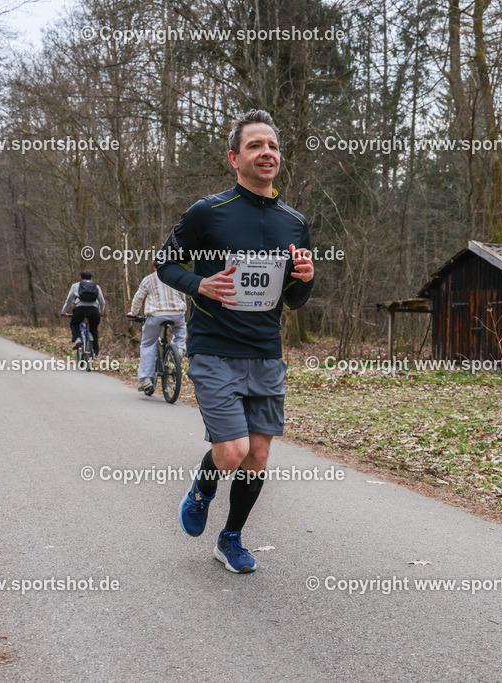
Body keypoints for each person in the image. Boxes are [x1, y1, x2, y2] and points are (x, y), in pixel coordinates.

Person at [158, 110, 314, 574]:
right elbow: (165, 264)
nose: (266, 153)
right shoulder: (208, 212)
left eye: (272, 146)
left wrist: (306, 278)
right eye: (254, 146)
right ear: (234, 158)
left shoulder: (294, 221)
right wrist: (200, 285)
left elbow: (295, 300)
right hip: (214, 347)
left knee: (258, 454)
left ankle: (230, 539)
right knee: (232, 452)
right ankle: (203, 489)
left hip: (265, 351)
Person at [128, 271, 188, 393]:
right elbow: (183, 296)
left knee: (148, 344)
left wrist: (133, 313)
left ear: (155, 266)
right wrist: (182, 310)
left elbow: (139, 297)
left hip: (156, 315)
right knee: (180, 329)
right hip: (177, 313)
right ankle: (180, 349)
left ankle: (146, 379)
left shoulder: (149, 279)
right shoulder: (176, 275)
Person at [60, 270, 106, 355]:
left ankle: (77, 339)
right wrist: (100, 312)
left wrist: (64, 312)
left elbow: (68, 301)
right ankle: (95, 352)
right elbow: (102, 302)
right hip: (94, 310)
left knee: (74, 323)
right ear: (91, 278)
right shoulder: (96, 286)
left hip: (80, 310)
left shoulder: (75, 286)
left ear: (80, 278)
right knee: (93, 329)